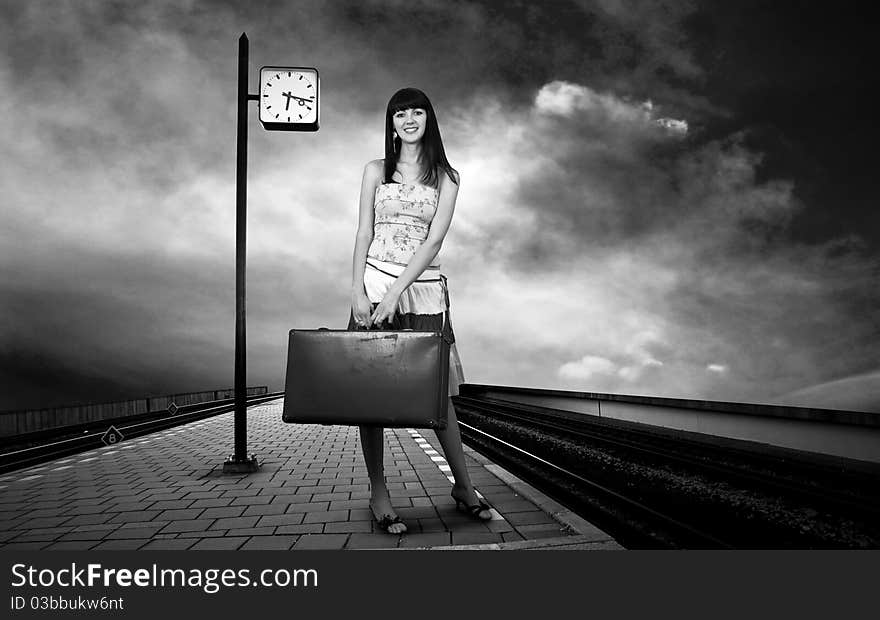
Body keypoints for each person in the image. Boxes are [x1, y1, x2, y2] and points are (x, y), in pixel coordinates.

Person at [348, 87, 492, 534]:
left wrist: (397, 293)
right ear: (390, 123)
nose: (408, 119)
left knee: (438, 394)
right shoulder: (376, 170)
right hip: (373, 284)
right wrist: (358, 289)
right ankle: (379, 492)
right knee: (370, 395)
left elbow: (434, 241)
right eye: (399, 113)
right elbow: (363, 232)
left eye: (417, 111)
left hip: (424, 290)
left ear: (429, 118)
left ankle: (463, 487)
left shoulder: (447, 177)